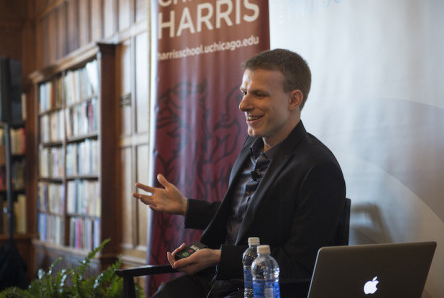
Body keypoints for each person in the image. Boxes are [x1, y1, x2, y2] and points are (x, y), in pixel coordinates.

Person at [133, 48, 346, 298]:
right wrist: (185, 206)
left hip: (264, 289)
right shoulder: (251, 146)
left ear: (293, 99)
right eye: (244, 92)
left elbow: (302, 263)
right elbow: (244, 215)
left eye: (258, 94)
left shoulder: (319, 168)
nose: (243, 104)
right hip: (221, 279)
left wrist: (218, 257)